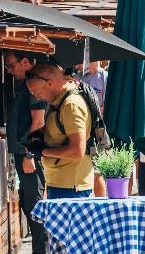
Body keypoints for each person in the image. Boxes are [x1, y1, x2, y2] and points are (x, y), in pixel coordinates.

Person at [2, 51, 49, 254]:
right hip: (24, 152)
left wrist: (29, 153)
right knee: (27, 199)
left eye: (11, 66)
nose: (9, 71)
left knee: (33, 201)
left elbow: (38, 122)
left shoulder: (34, 86)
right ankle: (40, 253)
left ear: (25, 62)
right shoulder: (26, 83)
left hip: (31, 153)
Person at [29, 63, 95, 199]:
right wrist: (40, 133)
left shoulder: (70, 105)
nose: (36, 97)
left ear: (50, 84)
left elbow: (77, 150)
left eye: (36, 91)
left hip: (72, 187)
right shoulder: (58, 101)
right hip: (61, 183)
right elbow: (60, 129)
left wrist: (43, 151)